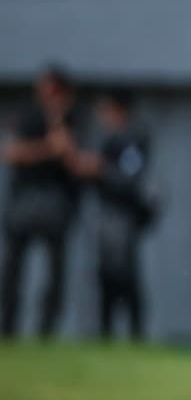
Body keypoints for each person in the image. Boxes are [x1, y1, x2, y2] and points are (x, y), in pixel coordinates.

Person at [1, 65, 85, 339]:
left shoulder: (72, 119)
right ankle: (8, 327)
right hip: (25, 198)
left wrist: (59, 124)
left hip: (56, 201)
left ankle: (46, 331)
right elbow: (12, 152)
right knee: (13, 269)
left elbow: (74, 159)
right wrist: (49, 148)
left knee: (55, 272)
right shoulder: (27, 117)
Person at [86, 88, 157, 339]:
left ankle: (135, 332)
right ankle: (105, 332)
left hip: (124, 214)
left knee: (124, 274)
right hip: (107, 212)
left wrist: (100, 170)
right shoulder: (105, 137)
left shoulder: (133, 138)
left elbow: (130, 179)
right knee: (106, 275)